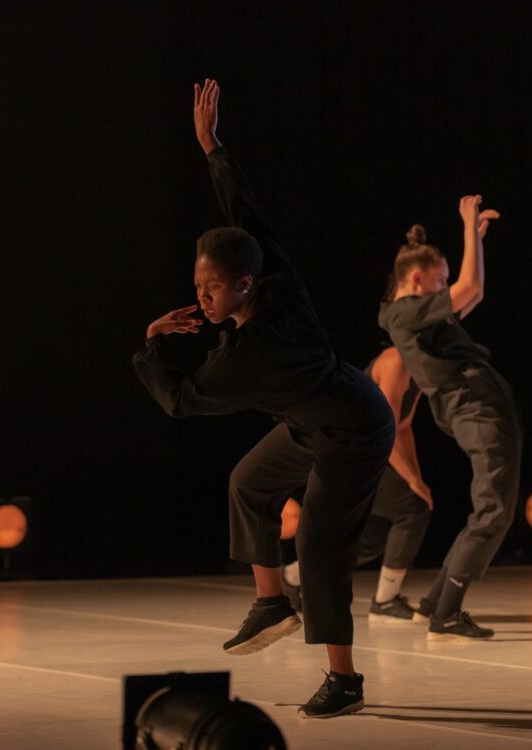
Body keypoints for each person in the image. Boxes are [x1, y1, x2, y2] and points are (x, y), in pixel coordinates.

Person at [132, 79, 395, 718]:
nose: (202, 299)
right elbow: (244, 212)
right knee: (247, 482)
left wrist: (150, 346)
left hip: (355, 430)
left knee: (321, 548)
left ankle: (345, 679)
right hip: (314, 419)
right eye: (198, 286)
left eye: (213, 289)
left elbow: (182, 400)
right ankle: (272, 601)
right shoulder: (271, 274)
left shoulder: (249, 357)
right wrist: (212, 147)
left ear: (245, 286)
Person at [377, 206, 522, 641]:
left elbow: (471, 295)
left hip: (481, 404)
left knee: (494, 509)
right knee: (494, 510)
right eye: (439, 281)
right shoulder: (405, 313)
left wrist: (475, 241)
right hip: (473, 407)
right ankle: (446, 613)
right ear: (416, 278)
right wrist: (465, 227)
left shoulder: (422, 316)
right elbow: (469, 286)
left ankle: (434, 605)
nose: (446, 290)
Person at [280, 345, 433, 621]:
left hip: (366, 454)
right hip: (348, 452)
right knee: (413, 508)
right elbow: (387, 428)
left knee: (370, 541)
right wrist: (412, 483)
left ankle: (293, 576)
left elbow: (404, 427)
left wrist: (416, 478)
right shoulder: (395, 361)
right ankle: (384, 603)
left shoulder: (419, 370)